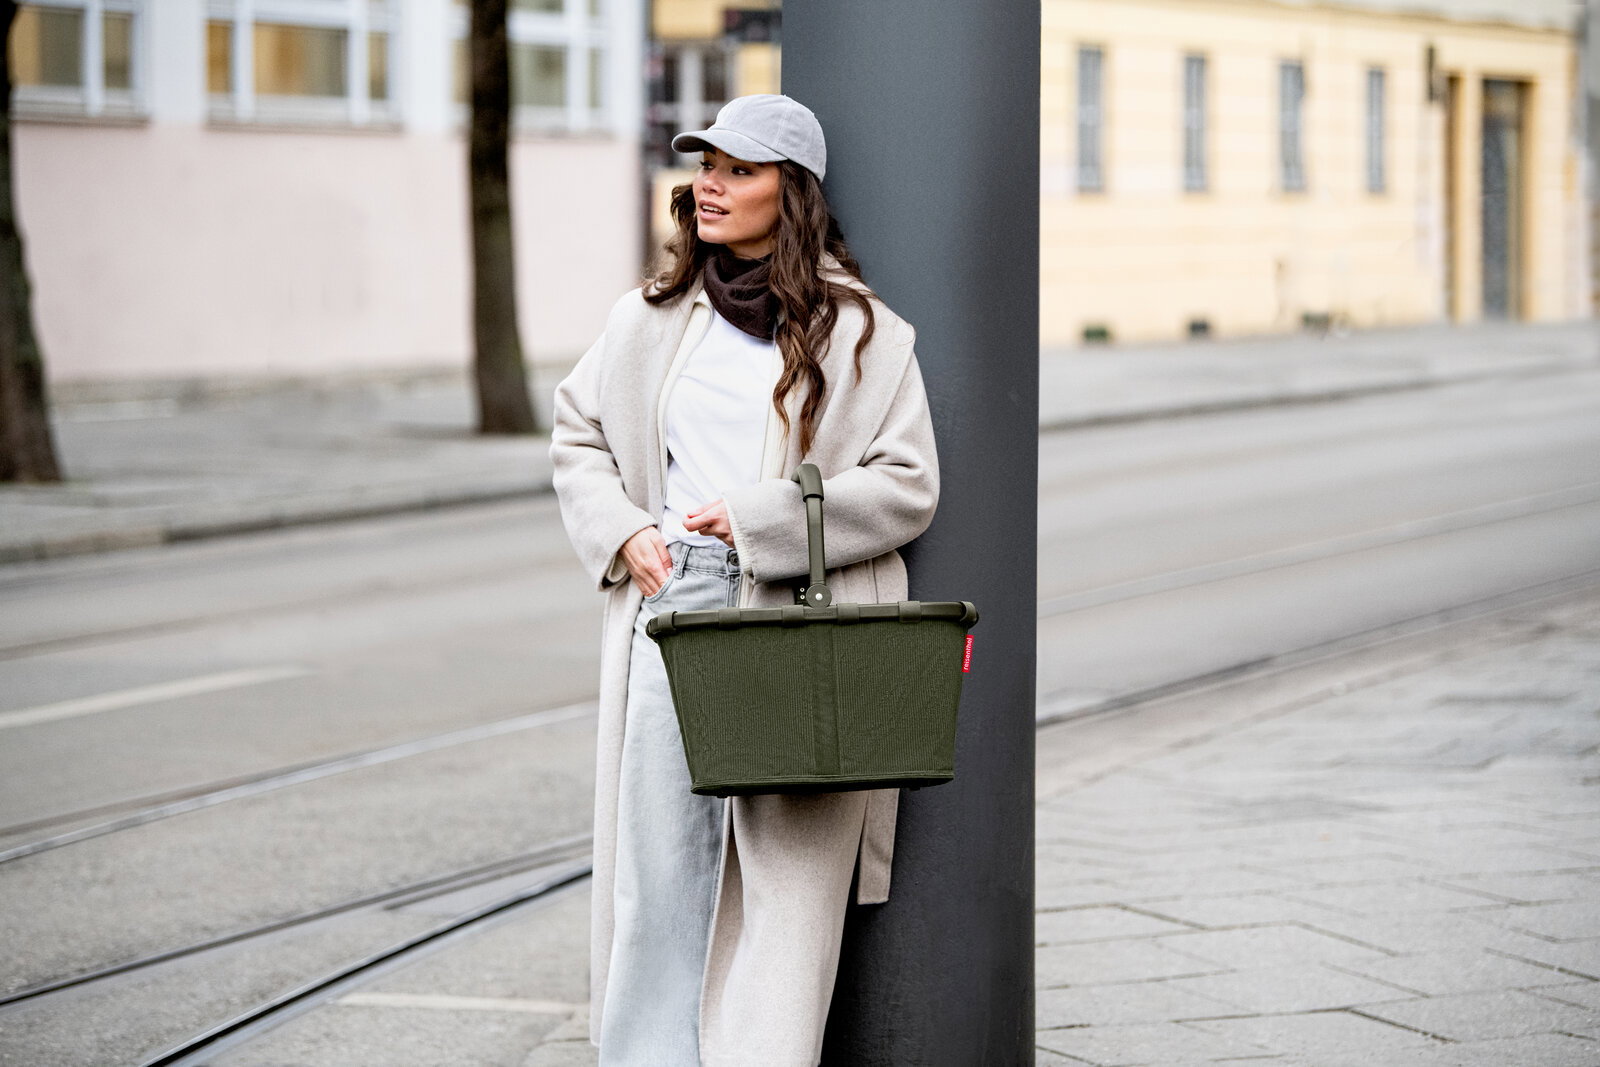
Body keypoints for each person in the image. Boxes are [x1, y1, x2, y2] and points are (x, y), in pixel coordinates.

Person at [549, 93, 938, 1066]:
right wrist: (625, 532)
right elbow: (577, 435)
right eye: (706, 166)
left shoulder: (862, 333)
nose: (710, 186)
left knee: (787, 883)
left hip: (797, 616)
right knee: (661, 865)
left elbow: (907, 485)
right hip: (675, 600)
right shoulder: (647, 318)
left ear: (790, 191)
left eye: (739, 169)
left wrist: (766, 521)